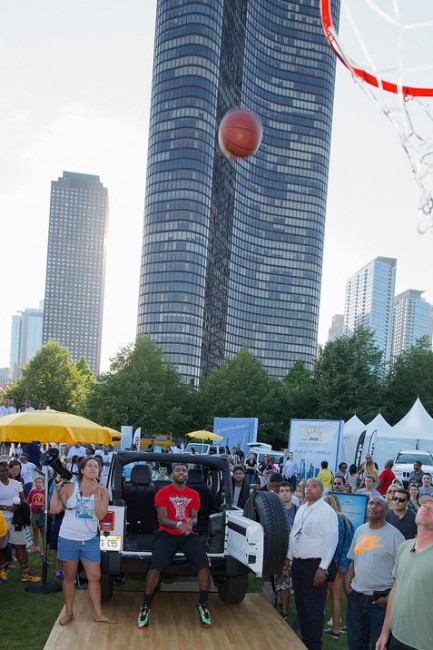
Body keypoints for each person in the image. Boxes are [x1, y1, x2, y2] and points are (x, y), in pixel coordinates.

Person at [136, 463, 211, 630]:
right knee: (155, 567)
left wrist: (191, 523)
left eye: (184, 470)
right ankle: (145, 607)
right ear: (172, 474)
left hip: (187, 534)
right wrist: (179, 524)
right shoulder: (163, 492)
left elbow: (194, 518)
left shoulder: (194, 494)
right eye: (178, 470)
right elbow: (162, 520)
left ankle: (203, 604)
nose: (181, 472)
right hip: (167, 534)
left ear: (187, 475)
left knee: (204, 565)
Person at [49, 457, 116, 625]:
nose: (94, 468)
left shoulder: (103, 491)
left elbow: (101, 516)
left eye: (97, 466)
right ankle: (69, 612)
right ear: (82, 470)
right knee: (69, 576)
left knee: (95, 576)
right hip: (68, 538)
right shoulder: (70, 488)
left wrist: (96, 495)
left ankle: (98, 614)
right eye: (90, 465)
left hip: (90, 540)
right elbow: (54, 509)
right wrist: (56, 490)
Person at [345, 496, 405, 650]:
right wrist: (348, 586)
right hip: (356, 596)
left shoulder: (395, 536)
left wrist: (388, 598)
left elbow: (403, 572)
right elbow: (353, 559)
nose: (373, 506)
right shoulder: (360, 530)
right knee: (355, 642)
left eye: (378, 504)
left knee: (379, 644)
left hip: (379, 599)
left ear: (386, 510)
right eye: (371, 503)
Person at [376, 494, 433, 650]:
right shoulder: (405, 547)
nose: (427, 508)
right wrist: (385, 632)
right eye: (424, 505)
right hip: (397, 637)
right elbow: (396, 588)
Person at [288, 478, 339, 650]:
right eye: (307, 486)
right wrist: (289, 558)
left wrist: (323, 568)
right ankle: (306, 640)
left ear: (322, 490)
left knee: (314, 608)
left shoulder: (327, 512)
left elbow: (332, 541)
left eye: (313, 486)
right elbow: (294, 534)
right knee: (301, 604)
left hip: (315, 565)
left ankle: (314, 644)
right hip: (298, 563)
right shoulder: (302, 508)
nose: (309, 489)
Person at [0, 461, 41, 583]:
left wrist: (21, 504)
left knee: (20, 545)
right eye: (2, 471)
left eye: (6, 470)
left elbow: (23, 498)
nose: (5, 473)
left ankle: (26, 573)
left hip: (16, 519)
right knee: (1, 547)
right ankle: (2, 572)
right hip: (1, 520)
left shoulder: (16, 484)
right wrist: (6, 508)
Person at [323, 494, 355, 639]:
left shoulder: (331, 520)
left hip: (333, 563)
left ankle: (335, 629)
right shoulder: (347, 520)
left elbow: (329, 544)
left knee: (334, 597)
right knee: (337, 596)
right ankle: (335, 625)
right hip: (344, 563)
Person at [274, 481, 298, 620]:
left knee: (294, 583)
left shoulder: (298, 510)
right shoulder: (275, 510)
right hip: (279, 551)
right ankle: (284, 610)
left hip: (295, 552)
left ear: (291, 492)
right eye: (282, 490)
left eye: (287, 490)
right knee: (282, 583)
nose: (284, 493)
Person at [27, 476, 46, 554]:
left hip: (42, 515)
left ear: (43, 483)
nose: (37, 484)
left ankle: (45, 549)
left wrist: (43, 507)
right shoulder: (32, 491)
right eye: (36, 482)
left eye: (39, 482)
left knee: (43, 531)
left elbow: (48, 502)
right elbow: (28, 501)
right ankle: (36, 547)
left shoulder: (45, 492)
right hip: (34, 514)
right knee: (35, 531)